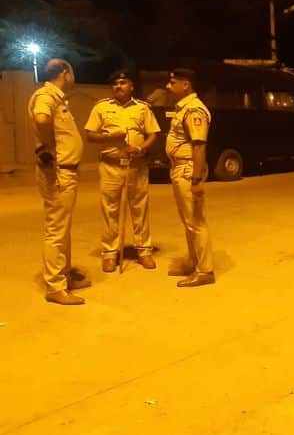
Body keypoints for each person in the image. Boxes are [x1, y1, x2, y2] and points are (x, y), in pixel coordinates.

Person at [85, 70, 161, 272]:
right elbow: (90, 135)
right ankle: (110, 253)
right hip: (111, 165)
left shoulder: (143, 109)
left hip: (136, 165)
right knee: (110, 210)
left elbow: (153, 134)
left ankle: (144, 250)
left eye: (123, 82)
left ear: (131, 86)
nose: (119, 86)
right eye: (115, 83)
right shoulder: (101, 107)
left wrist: (140, 148)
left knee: (140, 209)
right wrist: (111, 138)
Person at [28, 59, 88, 305]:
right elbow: (42, 119)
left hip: (66, 170)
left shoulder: (58, 97)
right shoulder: (46, 95)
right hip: (58, 171)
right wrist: (45, 147)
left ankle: (64, 276)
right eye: (72, 72)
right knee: (56, 230)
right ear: (65, 73)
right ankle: (55, 286)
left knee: (63, 228)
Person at [164, 68, 216, 287]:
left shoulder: (194, 110)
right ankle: (194, 262)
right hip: (180, 169)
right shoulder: (183, 108)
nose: (168, 86)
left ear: (185, 85)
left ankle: (205, 271)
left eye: (172, 82)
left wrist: (196, 180)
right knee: (189, 222)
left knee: (196, 221)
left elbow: (199, 147)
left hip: (187, 170)